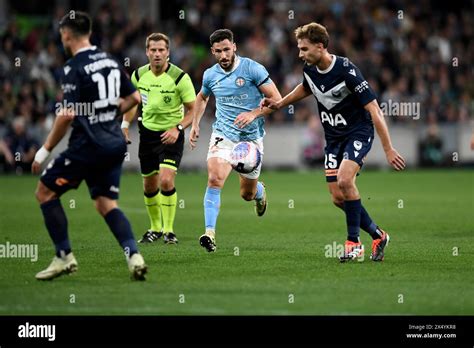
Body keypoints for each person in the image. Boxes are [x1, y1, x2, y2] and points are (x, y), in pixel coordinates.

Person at [261, 22, 406, 262]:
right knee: (338, 197)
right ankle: (378, 235)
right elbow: (306, 88)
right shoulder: (309, 70)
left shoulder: (347, 70)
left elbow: (375, 110)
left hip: (358, 132)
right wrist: (280, 103)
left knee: (345, 179)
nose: (300, 54)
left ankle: (353, 243)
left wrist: (388, 148)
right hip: (334, 138)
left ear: (320, 46)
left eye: (304, 49)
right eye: (299, 49)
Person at [32, 11, 147, 280]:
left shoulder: (74, 67)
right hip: (114, 145)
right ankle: (134, 256)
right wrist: (110, 112)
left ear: (67, 35)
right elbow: (135, 97)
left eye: (62, 33)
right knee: (106, 203)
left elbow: (68, 114)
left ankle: (64, 256)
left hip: (88, 146)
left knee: (45, 193)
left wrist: (45, 150)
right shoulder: (109, 60)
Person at [189, 29, 282, 252]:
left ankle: (259, 192)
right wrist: (194, 123)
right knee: (214, 178)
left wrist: (253, 114)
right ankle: (209, 233)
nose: (223, 55)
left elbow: (278, 100)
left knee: (246, 194)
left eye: (227, 49)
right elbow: (202, 97)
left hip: (251, 138)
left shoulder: (253, 69)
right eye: (218, 51)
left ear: (234, 47)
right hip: (223, 133)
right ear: (212, 51)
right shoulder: (210, 75)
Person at [122, 33, 197, 245]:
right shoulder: (138, 75)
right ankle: (154, 228)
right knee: (148, 185)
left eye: (161, 50)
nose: (157, 54)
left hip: (171, 134)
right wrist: (125, 125)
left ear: (168, 53)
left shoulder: (180, 77)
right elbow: (132, 102)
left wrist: (178, 128)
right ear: (147, 52)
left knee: (165, 180)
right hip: (147, 135)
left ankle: (169, 231)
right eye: (153, 50)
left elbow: (194, 109)